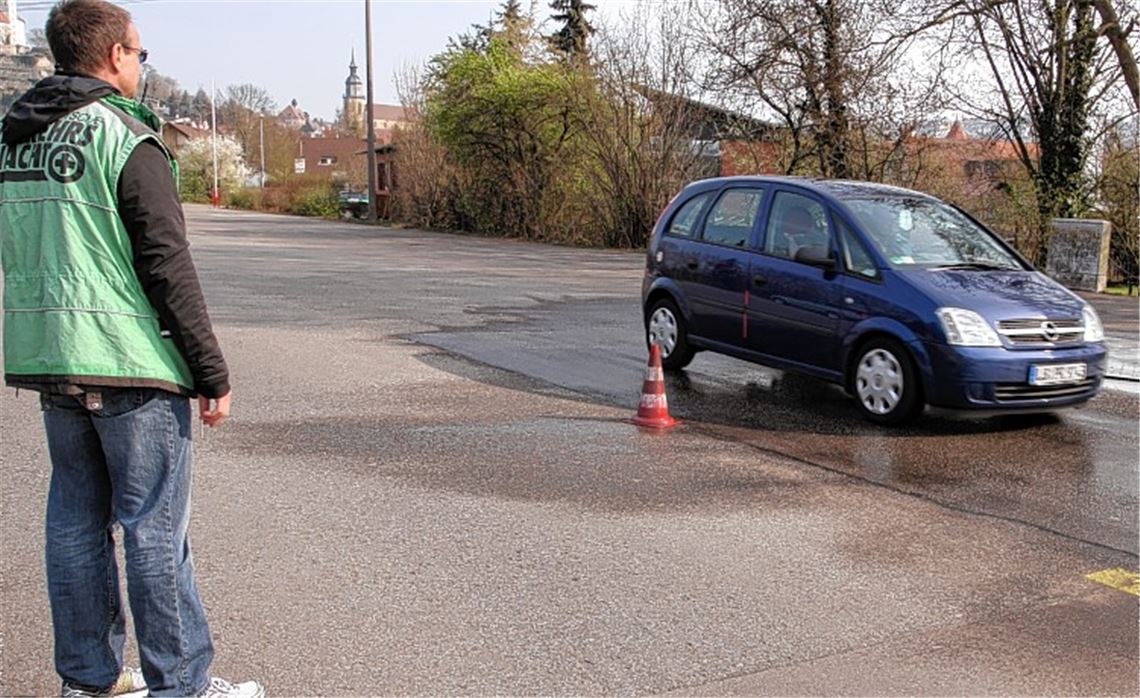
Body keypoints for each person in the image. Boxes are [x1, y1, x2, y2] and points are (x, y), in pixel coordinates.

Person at [0, 2, 263, 696]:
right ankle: (181, 685)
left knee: (76, 522)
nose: (142, 66)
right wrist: (210, 370)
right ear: (115, 54)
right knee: (154, 529)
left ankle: (86, 682)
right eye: (140, 54)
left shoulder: (15, 139)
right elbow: (166, 264)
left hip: (50, 355)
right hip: (130, 363)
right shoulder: (125, 137)